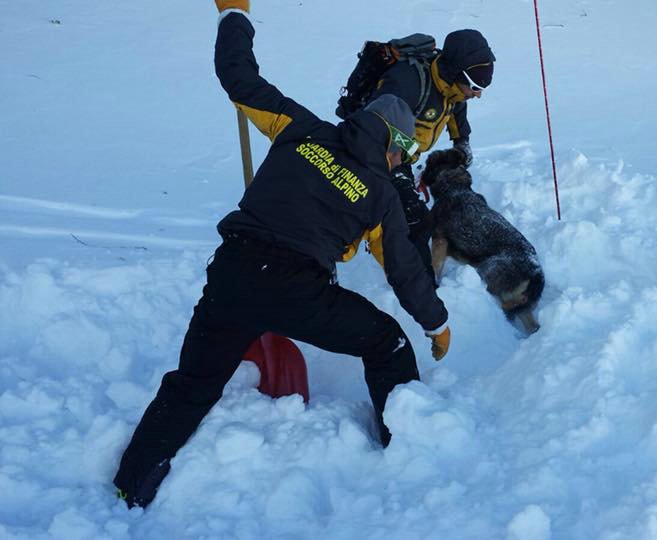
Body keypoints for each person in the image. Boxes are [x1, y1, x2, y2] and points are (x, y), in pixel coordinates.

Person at [112, 0, 451, 509]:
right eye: (401, 151)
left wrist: (233, 15)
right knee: (386, 343)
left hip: (231, 274)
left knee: (190, 386)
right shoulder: (381, 194)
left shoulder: (301, 128)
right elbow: (403, 268)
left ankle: (128, 488)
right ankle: (404, 450)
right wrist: (435, 323)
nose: (400, 159)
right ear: (394, 144)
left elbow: (239, 78)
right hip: (298, 291)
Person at [372, 29, 496, 281]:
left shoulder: (452, 86)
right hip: (378, 157)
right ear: (457, 73)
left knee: (415, 218)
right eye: (475, 86)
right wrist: (399, 174)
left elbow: (457, 106)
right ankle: (414, 280)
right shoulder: (407, 84)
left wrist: (461, 140)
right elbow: (375, 128)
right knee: (414, 221)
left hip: (405, 157)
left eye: (483, 87)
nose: (478, 93)